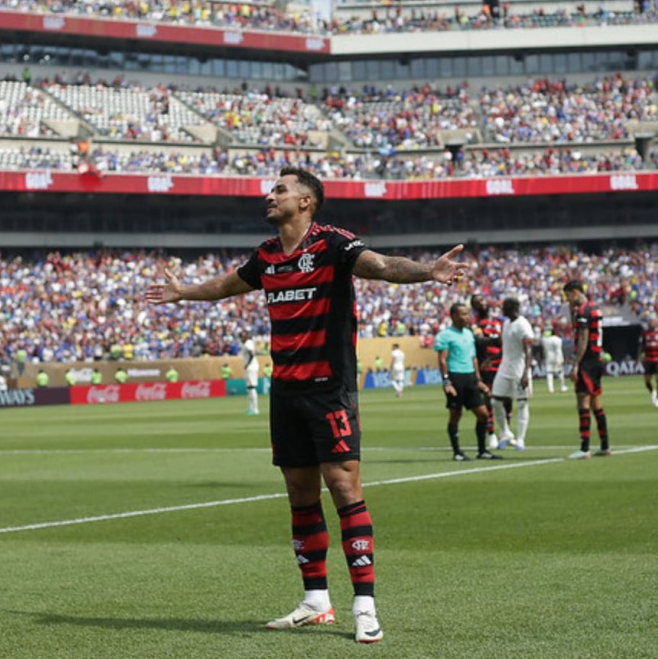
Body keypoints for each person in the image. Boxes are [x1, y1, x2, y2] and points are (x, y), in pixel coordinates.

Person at [146, 166, 470, 644]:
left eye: (280, 190)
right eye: (271, 189)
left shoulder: (333, 244)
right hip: (287, 392)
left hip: (329, 388)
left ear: (306, 202)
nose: (269, 195)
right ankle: (315, 600)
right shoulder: (268, 256)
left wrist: (428, 272)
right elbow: (228, 285)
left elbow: (380, 266)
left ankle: (365, 606)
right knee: (299, 493)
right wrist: (183, 292)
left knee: (343, 486)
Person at [435, 303, 504, 462]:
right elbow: (442, 360)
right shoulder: (445, 335)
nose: (467, 317)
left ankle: (482, 450)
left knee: (483, 414)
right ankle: (457, 452)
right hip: (455, 377)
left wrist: (479, 380)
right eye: (463, 314)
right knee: (455, 415)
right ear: (453, 316)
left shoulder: (468, 333)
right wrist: (446, 382)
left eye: (467, 314)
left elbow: (473, 359)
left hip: (470, 378)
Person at [564, 281, 609, 459]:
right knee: (596, 405)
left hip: (587, 362)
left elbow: (583, 339)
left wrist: (576, 364)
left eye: (568, 295)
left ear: (575, 292)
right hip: (597, 360)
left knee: (582, 403)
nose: (567, 300)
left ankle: (584, 448)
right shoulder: (594, 308)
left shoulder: (583, 311)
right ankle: (605, 445)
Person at [492, 298, 533, 451]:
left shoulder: (523, 325)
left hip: (519, 368)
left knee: (522, 404)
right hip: (505, 367)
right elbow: (506, 347)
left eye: (504, 307)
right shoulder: (506, 323)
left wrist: (525, 374)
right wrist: (491, 359)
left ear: (511, 308)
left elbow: (528, 350)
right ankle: (506, 432)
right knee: (495, 400)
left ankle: (521, 439)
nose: (502, 309)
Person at [469, 295, 501, 448]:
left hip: (502, 364)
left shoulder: (498, 322)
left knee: (505, 400)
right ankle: (491, 433)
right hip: (487, 366)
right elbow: (480, 340)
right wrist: (498, 340)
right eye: (477, 303)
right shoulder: (475, 324)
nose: (482, 304)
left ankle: (505, 431)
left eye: (483, 300)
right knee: (489, 400)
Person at [641, 320, 658, 408]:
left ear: (656, 324)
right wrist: (638, 357)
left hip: (657, 359)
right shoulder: (645, 334)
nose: (651, 325)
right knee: (647, 381)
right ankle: (653, 392)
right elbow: (642, 346)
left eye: (653, 323)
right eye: (650, 323)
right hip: (648, 359)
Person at [540, 328, 568, 393]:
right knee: (560, 372)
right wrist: (561, 359)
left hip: (548, 357)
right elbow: (558, 350)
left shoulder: (545, 340)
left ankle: (551, 389)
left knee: (549, 373)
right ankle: (562, 386)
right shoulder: (558, 339)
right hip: (557, 357)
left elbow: (544, 350)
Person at [242, 333, 261, 415]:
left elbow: (252, 353)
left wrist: (247, 364)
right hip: (251, 366)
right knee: (249, 388)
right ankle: (251, 407)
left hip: (251, 367)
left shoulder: (248, 343)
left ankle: (255, 409)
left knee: (251, 387)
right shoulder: (249, 343)